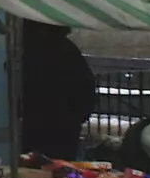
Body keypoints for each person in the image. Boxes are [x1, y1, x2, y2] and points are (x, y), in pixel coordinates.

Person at [19, 21, 97, 161]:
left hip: (37, 124)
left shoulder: (30, 51)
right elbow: (86, 88)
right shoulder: (67, 50)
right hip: (64, 127)